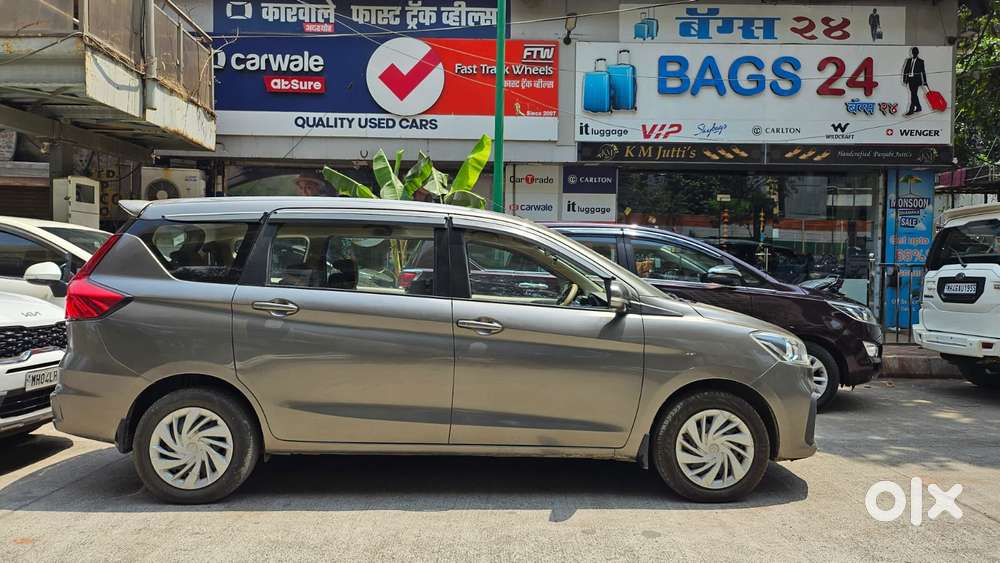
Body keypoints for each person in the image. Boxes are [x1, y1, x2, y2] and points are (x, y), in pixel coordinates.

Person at [901, 47, 928, 116]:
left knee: (913, 94)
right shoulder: (909, 60)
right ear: (912, 53)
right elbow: (905, 71)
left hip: (916, 80)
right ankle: (918, 107)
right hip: (910, 79)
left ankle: (911, 110)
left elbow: (923, 72)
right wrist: (905, 79)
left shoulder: (921, 61)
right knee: (914, 94)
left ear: (917, 53)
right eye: (913, 52)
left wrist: (925, 81)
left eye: (915, 52)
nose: (914, 53)